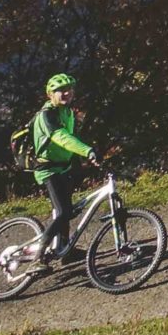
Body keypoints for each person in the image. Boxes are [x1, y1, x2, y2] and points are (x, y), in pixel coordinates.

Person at [30, 72, 96, 264]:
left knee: (67, 211)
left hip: (64, 167)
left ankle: (65, 250)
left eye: (69, 89)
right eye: (61, 90)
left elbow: (71, 139)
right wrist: (87, 150)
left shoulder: (67, 112)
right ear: (50, 94)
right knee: (63, 211)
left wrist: (86, 157)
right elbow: (61, 138)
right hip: (48, 170)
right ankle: (38, 259)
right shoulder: (46, 115)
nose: (67, 93)